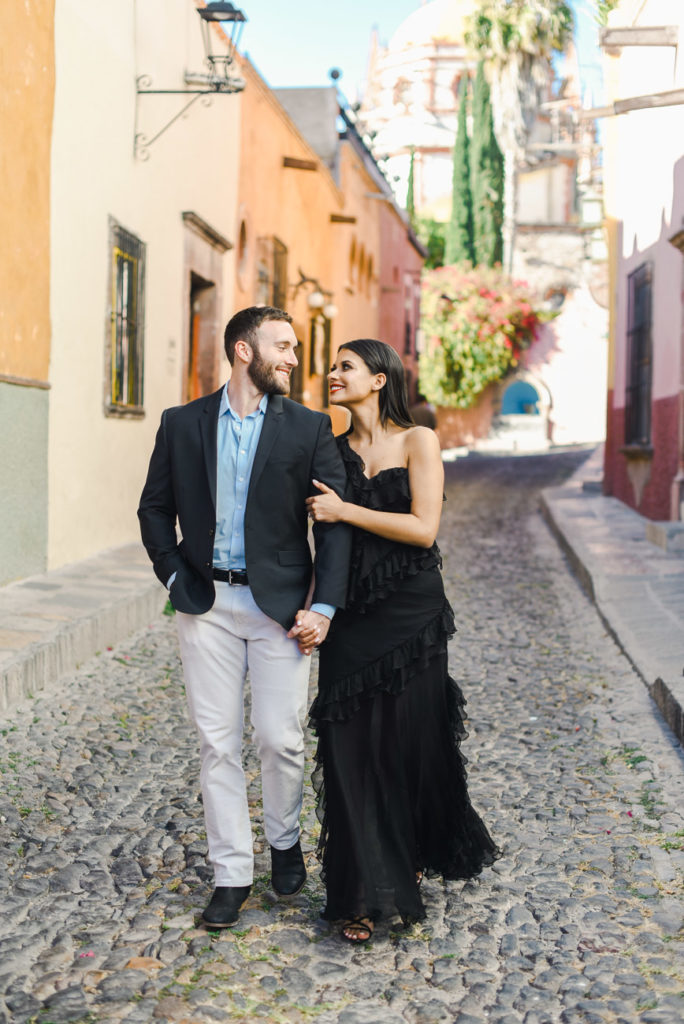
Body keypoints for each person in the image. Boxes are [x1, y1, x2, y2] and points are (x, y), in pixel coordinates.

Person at [138, 306, 351, 929]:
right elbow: (155, 509)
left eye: (293, 347)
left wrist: (325, 605)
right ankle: (232, 871)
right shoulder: (182, 424)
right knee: (217, 743)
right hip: (205, 605)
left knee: (279, 738)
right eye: (281, 346)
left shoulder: (310, 428)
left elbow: (332, 524)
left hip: (280, 606)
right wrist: (175, 576)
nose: (292, 358)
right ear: (242, 349)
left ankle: (284, 839)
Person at [306, 339, 499, 943]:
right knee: (348, 750)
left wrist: (345, 512)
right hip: (350, 618)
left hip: (412, 615)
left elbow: (423, 527)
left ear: (380, 378)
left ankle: (404, 855)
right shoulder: (329, 451)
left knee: (408, 744)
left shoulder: (420, 441)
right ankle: (357, 893)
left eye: (346, 367)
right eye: (333, 366)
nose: (333, 374)